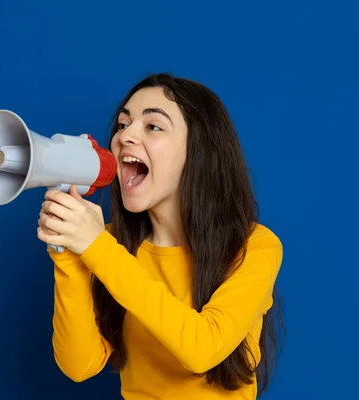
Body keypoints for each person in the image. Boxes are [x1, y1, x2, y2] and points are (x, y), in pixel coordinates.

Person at [36, 73, 285, 399]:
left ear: (198, 150)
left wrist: (95, 247)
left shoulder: (255, 246)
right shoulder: (108, 245)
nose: (125, 136)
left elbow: (202, 349)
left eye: (153, 126)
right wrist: (68, 252)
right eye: (123, 124)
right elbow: (79, 365)